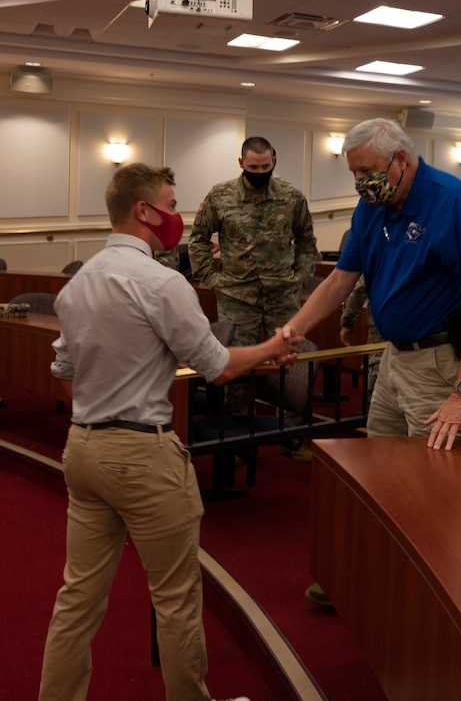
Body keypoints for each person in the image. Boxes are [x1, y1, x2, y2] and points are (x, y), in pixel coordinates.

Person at [39, 163, 300, 701]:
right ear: (143, 211)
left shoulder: (77, 284)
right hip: (142, 455)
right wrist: (272, 349)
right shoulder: (162, 282)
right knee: (176, 597)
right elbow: (217, 366)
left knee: (77, 598)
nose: (179, 217)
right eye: (172, 204)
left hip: (83, 449)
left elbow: (62, 373)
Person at [283, 118, 461, 603]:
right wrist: (294, 330)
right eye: (355, 175)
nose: (361, 184)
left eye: (367, 171)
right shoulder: (372, 205)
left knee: (437, 491)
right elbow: (341, 280)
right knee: (380, 479)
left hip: (439, 363)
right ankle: (371, 581)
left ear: (400, 160)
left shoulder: (453, 201)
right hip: (394, 359)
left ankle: (444, 600)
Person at [188, 135, 317, 373]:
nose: (260, 172)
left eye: (265, 167)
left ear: (274, 162)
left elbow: (306, 240)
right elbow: (198, 239)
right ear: (241, 163)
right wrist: (212, 280)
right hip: (236, 297)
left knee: (289, 366)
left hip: (282, 296)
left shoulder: (292, 196)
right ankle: (236, 411)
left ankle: (289, 412)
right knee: (237, 369)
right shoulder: (220, 196)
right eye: (253, 167)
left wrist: (300, 278)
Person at [339, 274, 384, 405]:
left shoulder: (382, 253)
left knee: (377, 381)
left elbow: (360, 288)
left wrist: (348, 321)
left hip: (382, 329)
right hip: (424, 331)